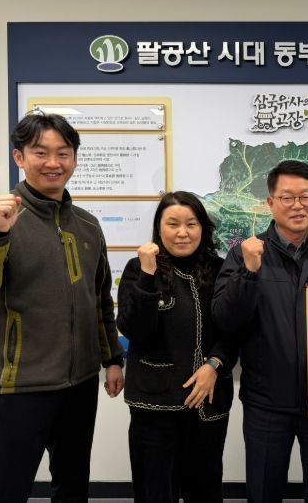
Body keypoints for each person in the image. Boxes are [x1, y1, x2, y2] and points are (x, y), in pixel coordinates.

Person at [0, 113, 124, 503]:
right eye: (40, 152)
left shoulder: (88, 225)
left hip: (80, 386)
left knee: (73, 489)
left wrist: (112, 359)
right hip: (19, 389)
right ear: (19, 157)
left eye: (63, 153)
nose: (53, 163)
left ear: (74, 159)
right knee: (8, 493)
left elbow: (100, 301)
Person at [212, 159, 308, 502]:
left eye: (306, 197)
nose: (298, 205)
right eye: (287, 197)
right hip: (265, 402)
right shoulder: (245, 255)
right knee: (264, 491)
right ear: (270, 202)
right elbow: (226, 320)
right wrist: (248, 272)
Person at [116, 191, 237, 502]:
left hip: (208, 402)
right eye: (173, 224)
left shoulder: (221, 268)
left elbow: (235, 327)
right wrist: (147, 276)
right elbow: (135, 330)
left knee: (206, 491)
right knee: (155, 492)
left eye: (191, 224)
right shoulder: (138, 268)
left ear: (203, 228)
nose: (182, 232)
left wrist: (215, 364)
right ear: (159, 228)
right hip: (155, 404)